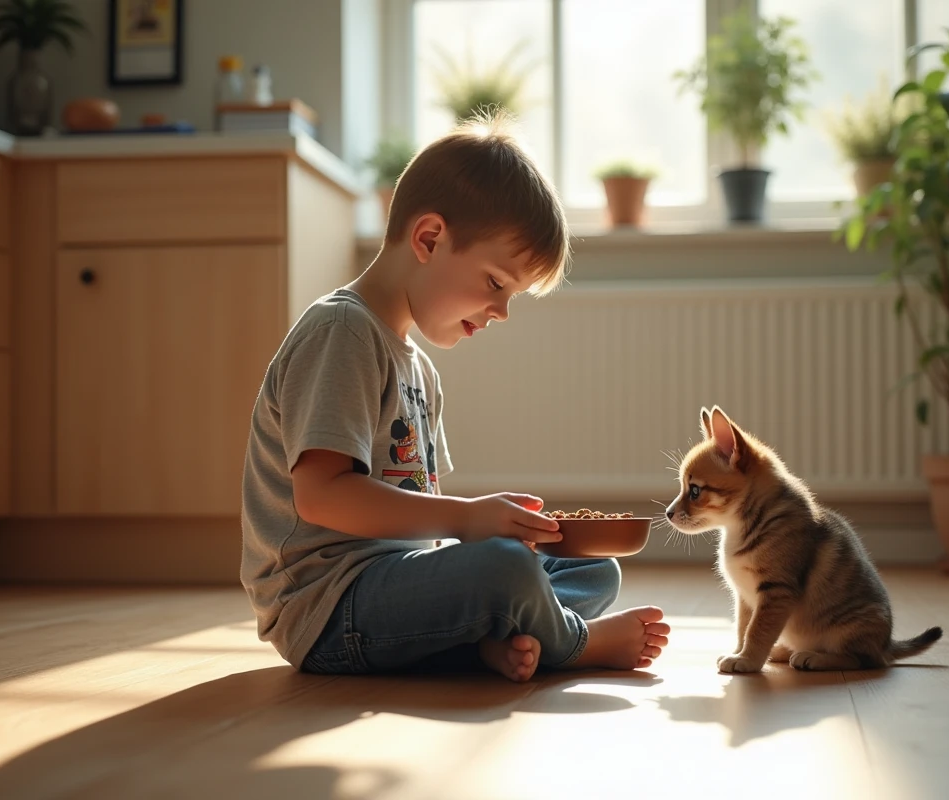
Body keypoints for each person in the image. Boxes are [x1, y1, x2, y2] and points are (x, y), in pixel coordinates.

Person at [240, 111, 670, 682]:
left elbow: (420, 516)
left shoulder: (419, 368)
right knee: (506, 570)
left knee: (591, 569)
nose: (500, 311)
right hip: (328, 608)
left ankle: (489, 641)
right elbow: (321, 497)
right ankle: (574, 642)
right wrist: (470, 521)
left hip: (398, 584)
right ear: (429, 238)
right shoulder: (341, 333)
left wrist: (488, 523)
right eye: (496, 283)